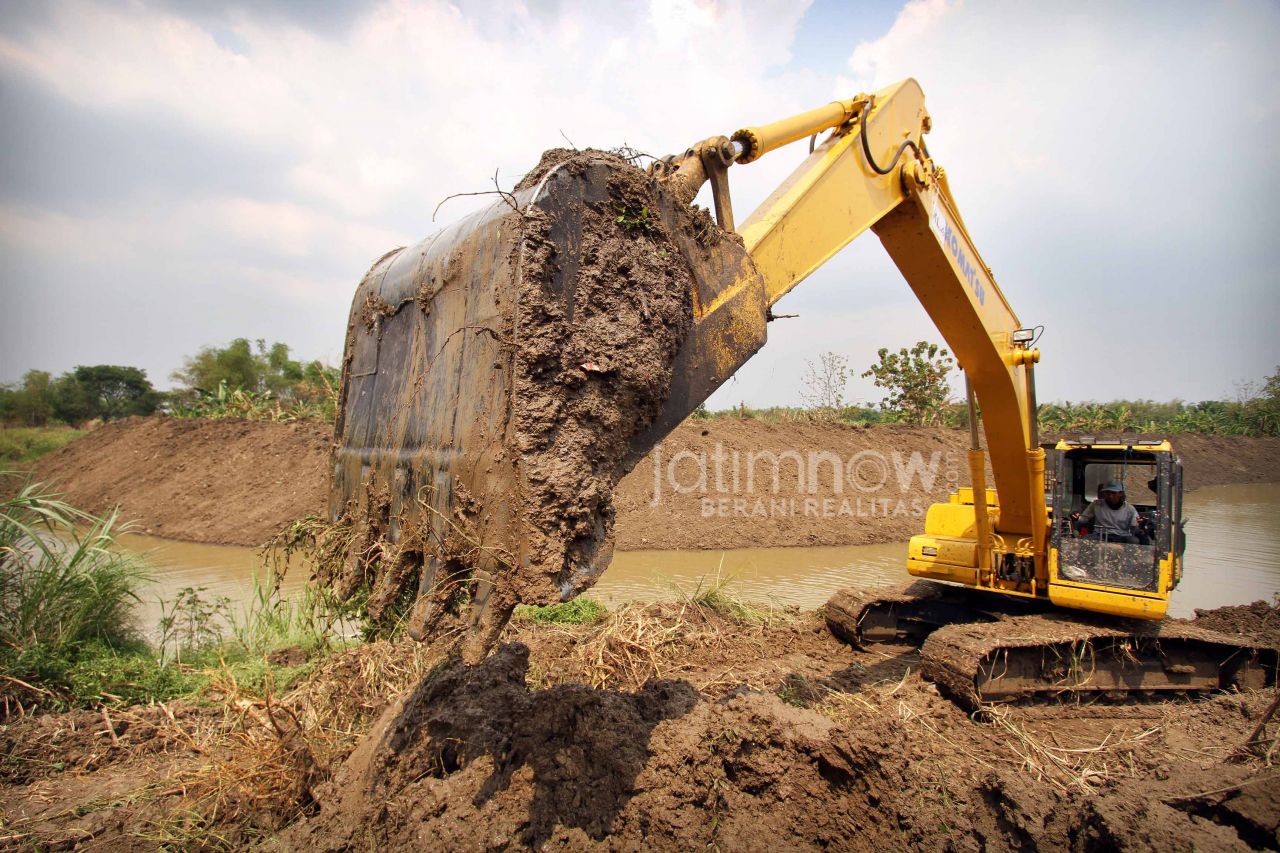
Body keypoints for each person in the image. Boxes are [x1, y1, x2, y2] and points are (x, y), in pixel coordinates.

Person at [1072, 481, 1147, 544]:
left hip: (1122, 536)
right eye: (1107, 493)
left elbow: (1135, 526)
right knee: (1085, 540)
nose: (1110, 496)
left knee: (1134, 541)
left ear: (1120, 493)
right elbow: (1084, 518)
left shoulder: (1130, 509)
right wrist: (1077, 518)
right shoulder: (1096, 504)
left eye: (1113, 493)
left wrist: (1140, 523)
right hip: (1100, 535)